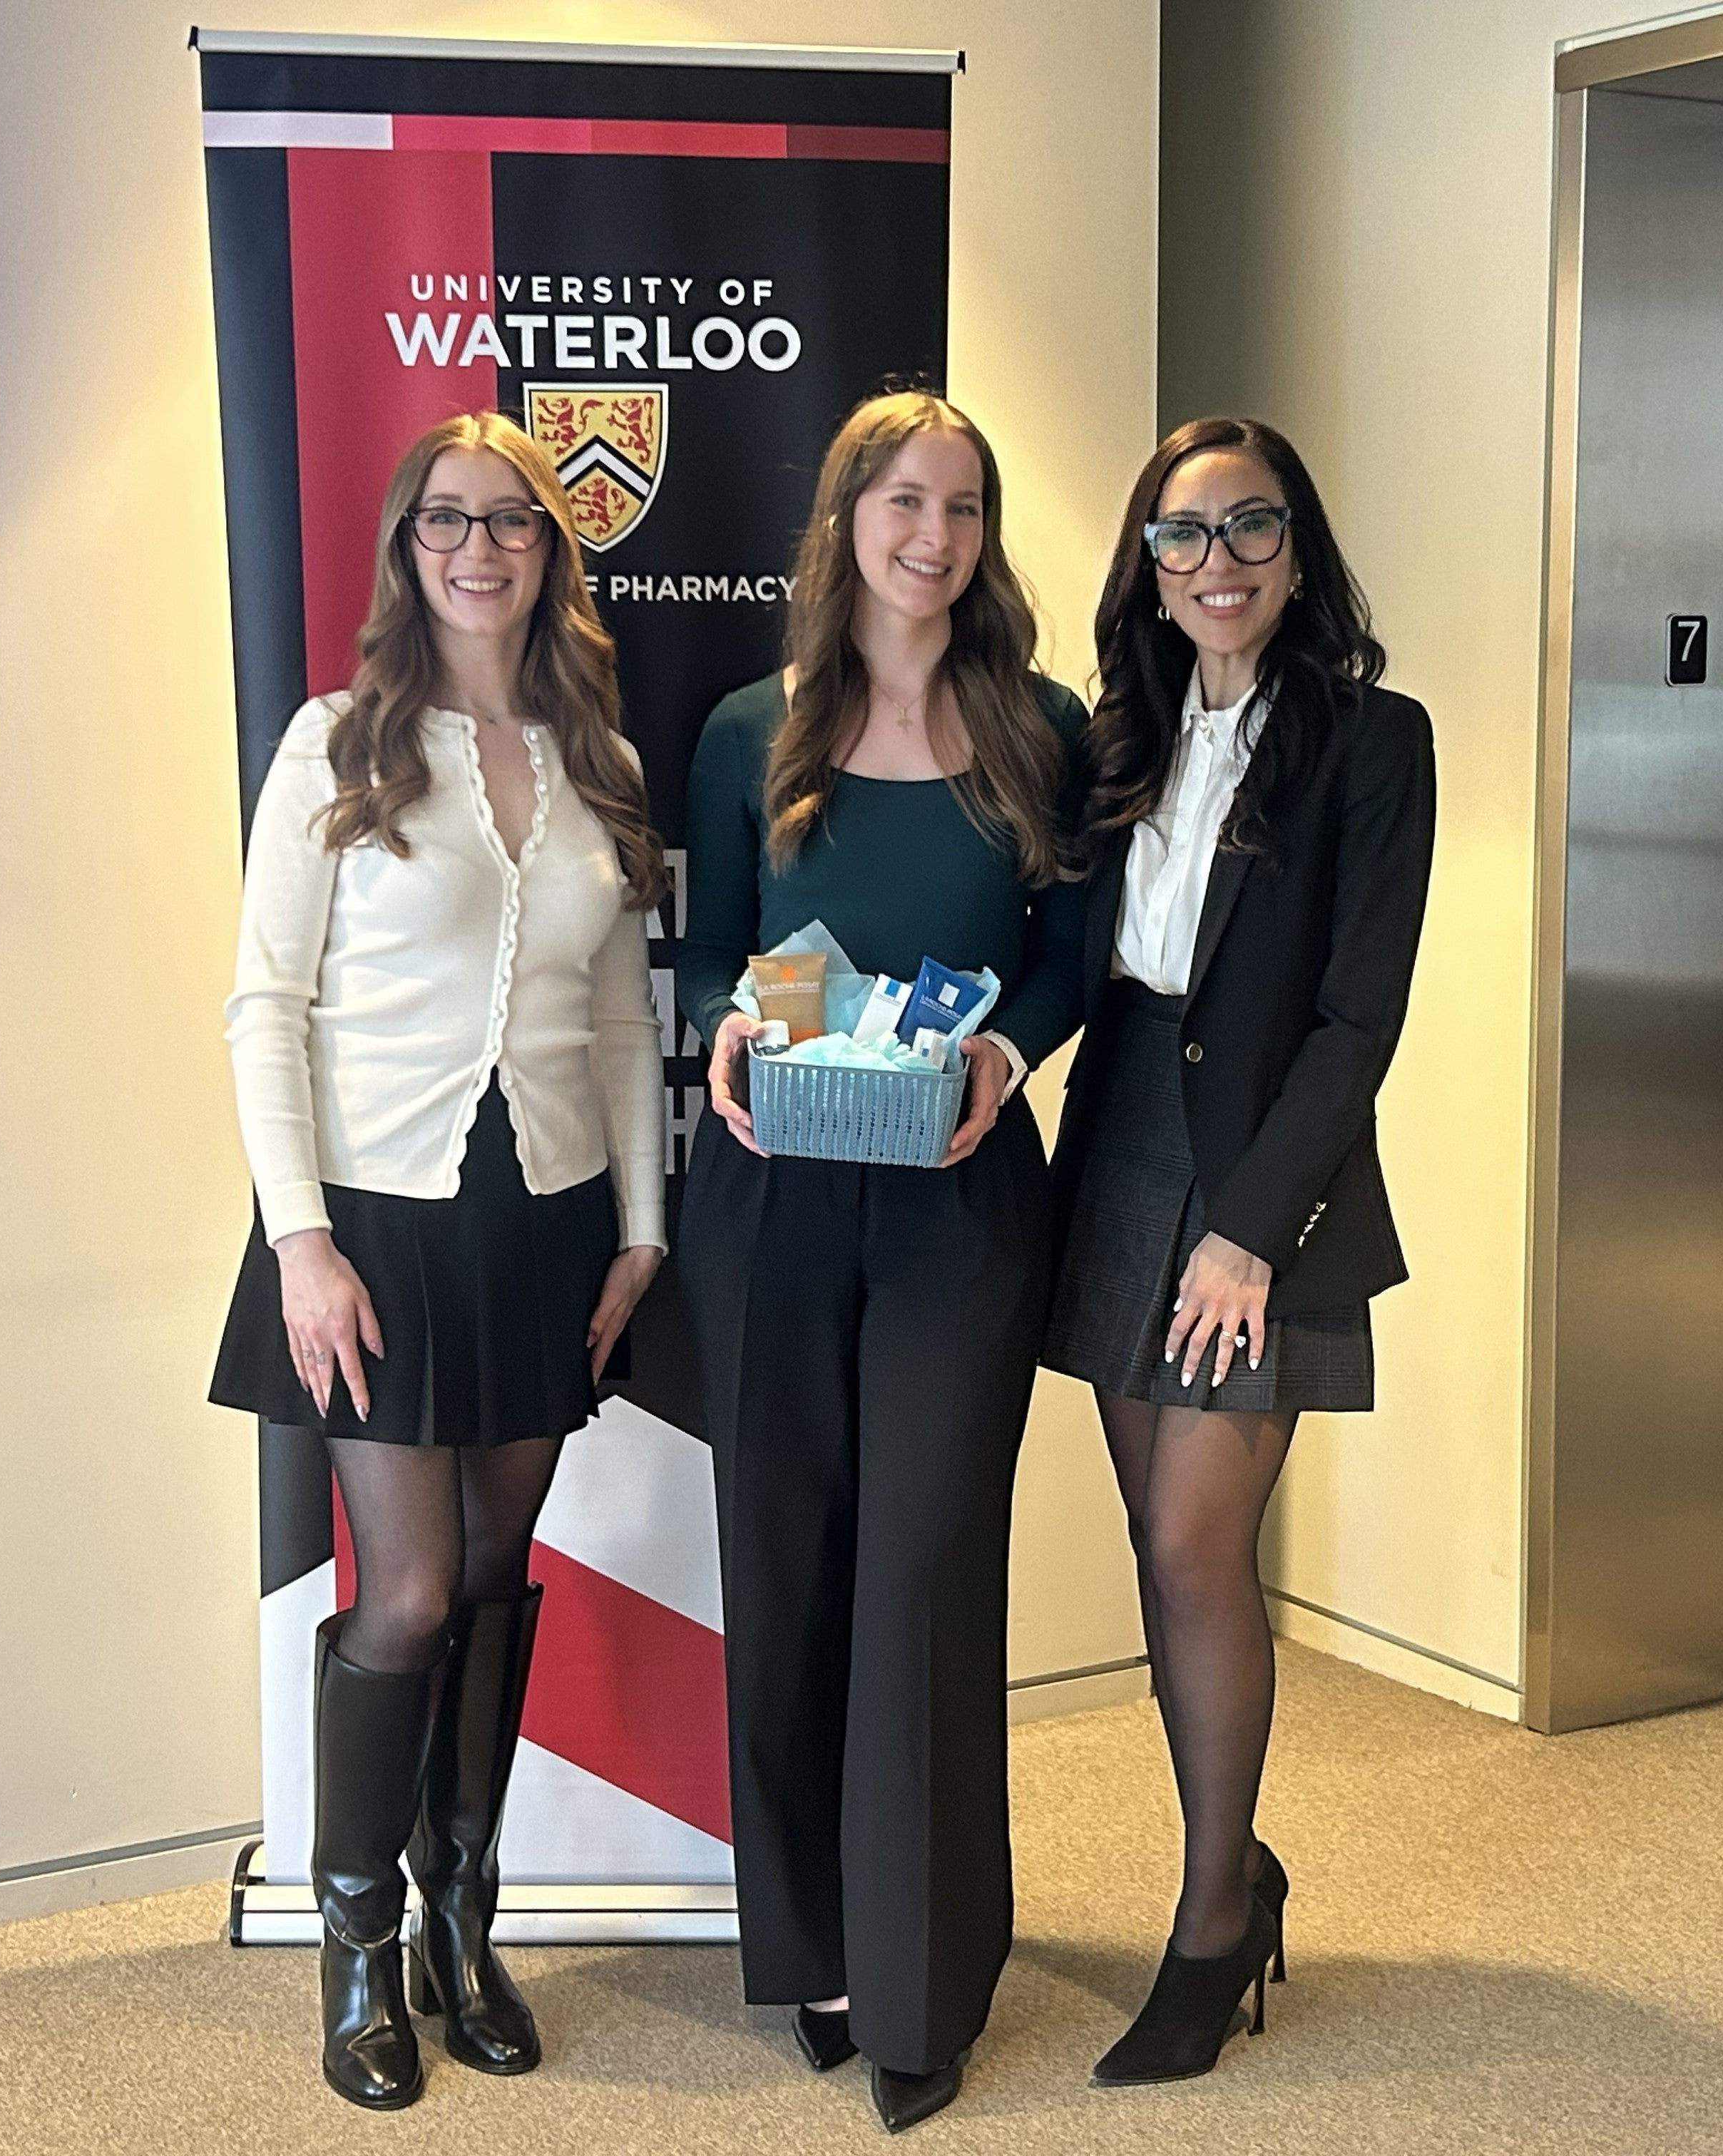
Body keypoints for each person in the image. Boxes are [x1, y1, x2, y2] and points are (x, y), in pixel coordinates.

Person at [208, 411, 668, 2111]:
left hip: (545, 1215)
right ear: (408, 547)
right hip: (374, 1223)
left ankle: (463, 1924)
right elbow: (266, 1007)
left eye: (514, 521)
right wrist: (300, 1242)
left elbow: (618, 1019)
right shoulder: (337, 744)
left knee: (488, 1574)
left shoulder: (597, 758)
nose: (481, 548)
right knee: (404, 1589)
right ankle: (358, 1947)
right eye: (448, 520)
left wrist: (642, 1230)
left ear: (552, 552)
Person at [677, 390, 1085, 2135]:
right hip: (774, 1187)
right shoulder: (747, 728)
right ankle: (819, 1952)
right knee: (790, 1562)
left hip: (961, 1198)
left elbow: (1069, 958)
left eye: (965, 505)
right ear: (847, 516)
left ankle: (925, 1982)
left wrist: (1007, 1054)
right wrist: (724, 1028)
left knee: (922, 1570)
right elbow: (710, 951)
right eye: (905, 500)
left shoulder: (1039, 725)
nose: (936, 534)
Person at [1043, 415, 1434, 2086]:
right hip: (1119, 1145)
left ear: (1298, 546)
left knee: (1197, 1545)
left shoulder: (1371, 740)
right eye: (1185, 535)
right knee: (1159, 1546)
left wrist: (1250, 1233)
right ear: (1148, 566)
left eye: (1251, 526)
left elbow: (1359, 1019)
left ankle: (1212, 1921)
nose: (1220, 561)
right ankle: (1236, 1863)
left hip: (1266, 1169)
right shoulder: (1114, 742)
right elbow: (1073, 957)